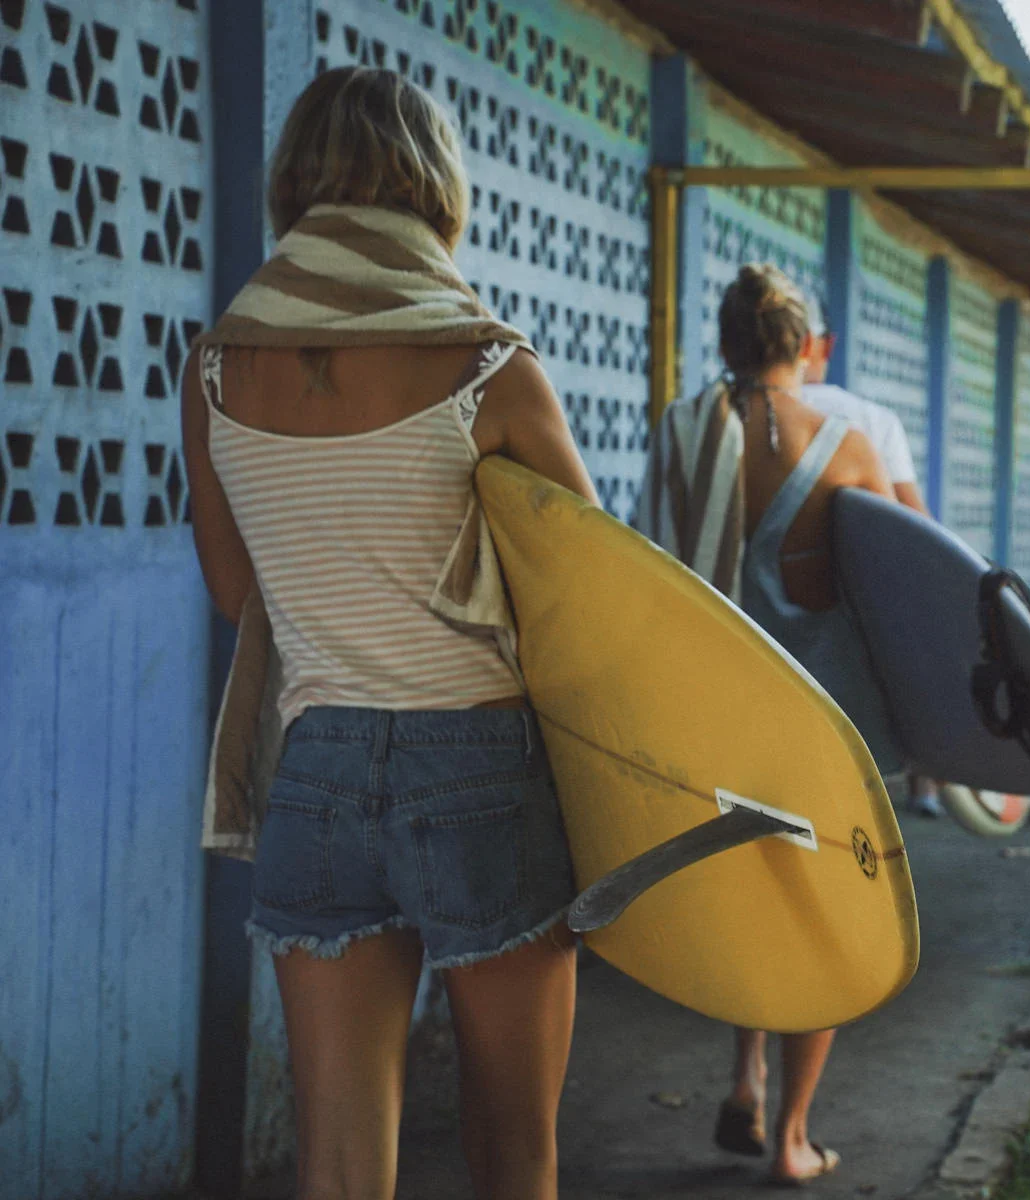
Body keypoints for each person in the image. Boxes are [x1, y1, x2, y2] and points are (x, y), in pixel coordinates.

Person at [183, 67, 592, 1199]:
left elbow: (235, 592)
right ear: (434, 187)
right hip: (479, 767)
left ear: (293, 187)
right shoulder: (490, 365)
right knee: (515, 1153)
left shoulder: (214, 367)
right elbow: (592, 597)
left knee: (340, 1168)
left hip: (312, 770)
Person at [638, 264, 897, 1185]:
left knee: (749, 895)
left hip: (714, 709)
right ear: (805, 346)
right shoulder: (850, 444)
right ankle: (792, 1136)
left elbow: (649, 558)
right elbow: (914, 575)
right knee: (816, 917)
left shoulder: (680, 431)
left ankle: (744, 1079)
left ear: (726, 342)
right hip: (816, 719)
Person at [796, 301, 946, 817]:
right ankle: (925, 786)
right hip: (859, 610)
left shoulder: (737, 416)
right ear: (822, 345)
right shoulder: (872, 423)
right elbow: (915, 525)